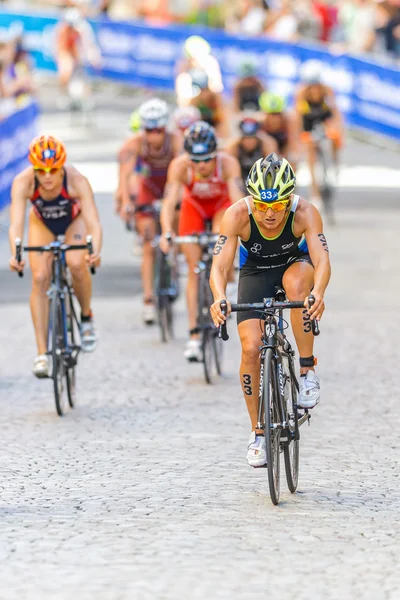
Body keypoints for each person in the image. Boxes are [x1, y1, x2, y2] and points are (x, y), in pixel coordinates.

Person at [209, 153, 331, 467]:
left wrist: (318, 292)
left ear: (288, 200)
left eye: (277, 206)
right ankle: (258, 432)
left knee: (297, 288)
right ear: (252, 201)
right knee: (250, 347)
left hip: (295, 265)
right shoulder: (237, 214)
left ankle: (306, 371)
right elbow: (220, 266)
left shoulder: (305, 212)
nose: (270, 214)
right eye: (262, 206)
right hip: (256, 272)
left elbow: (321, 259)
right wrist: (218, 296)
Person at [8, 135, 102, 378]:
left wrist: (95, 251)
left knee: (76, 263)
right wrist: (15, 253)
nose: (48, 176)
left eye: (53, 170)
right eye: (41, 170)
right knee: (40, 277)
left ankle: (86, 315)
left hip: (73, 221)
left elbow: (93, 222)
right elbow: (16, 224)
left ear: (62, 167)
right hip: (42, 224)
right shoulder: (23, 182)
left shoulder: (77, 181)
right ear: (33, 169)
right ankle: (41, 354)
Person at [160, 121, 243, 361]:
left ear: (215, 155)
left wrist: (240, 234)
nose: (201, 165)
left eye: (206, 159)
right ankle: (194, 335)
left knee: (223, 246)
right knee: (195, 272)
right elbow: (169, 201)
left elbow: (238, 202)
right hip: (194, 208)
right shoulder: (178, 167)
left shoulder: (228, 164)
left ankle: (229, 279)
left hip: (220, 207)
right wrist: (167, 231)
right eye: (195, 161)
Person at [116, 98, 182, 324]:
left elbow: (185, 171)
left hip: (171, 186)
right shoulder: (134, 143)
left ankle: (174, 261)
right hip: (149, 188)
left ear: (166, 128)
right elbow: (125, 176)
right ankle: (147, 300)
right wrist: (126, 202)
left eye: (159, 130)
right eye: (149, 130)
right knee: (147, 244)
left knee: (175, 225)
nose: (154, 135)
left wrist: (180, 200)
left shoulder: (176, 141)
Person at [295, 60, 343, 205]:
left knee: (335, 137)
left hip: (323, 118)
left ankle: (334, 162)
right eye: (311, 86)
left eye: (316, 86)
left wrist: (336, 130)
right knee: (310, 152)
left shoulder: (327, 90)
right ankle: (315, 193)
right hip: (308, 121)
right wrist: (299, 137)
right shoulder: (301, 93)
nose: (314, 90)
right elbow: (297, 118)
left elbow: (335, 113)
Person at [55, 8, 102, 98]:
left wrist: (93, 58)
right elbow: (60, 48)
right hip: (67, 52)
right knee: (66, 72)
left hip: (79, 54)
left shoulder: (84, 28)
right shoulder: (62, 30)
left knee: (82, 76)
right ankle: (65, 94)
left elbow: (89, 45)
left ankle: (84, 98)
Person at [226, 116, 277, 185]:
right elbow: (230, 172)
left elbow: (274, 168)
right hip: (241, 178)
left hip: (262, 178)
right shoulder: (233, 147)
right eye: (246, 138)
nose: (249, 142)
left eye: (252, 137)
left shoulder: (267, 144)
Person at [259, 91, 298, 163]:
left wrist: (290, 157)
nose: (274, 118)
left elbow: (293, 140)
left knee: (292, 163)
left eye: (277, 114)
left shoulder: (289, 121)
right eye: (271, 114)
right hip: (266, 152)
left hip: (283, 148)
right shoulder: (260, 123)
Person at [188, 68, 227, 137]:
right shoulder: (195, 99)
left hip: (214, 126)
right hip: (199, 128)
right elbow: (190, 116)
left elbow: (221, 117)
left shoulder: (215, 97)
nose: (204, 93)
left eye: (204, 90)